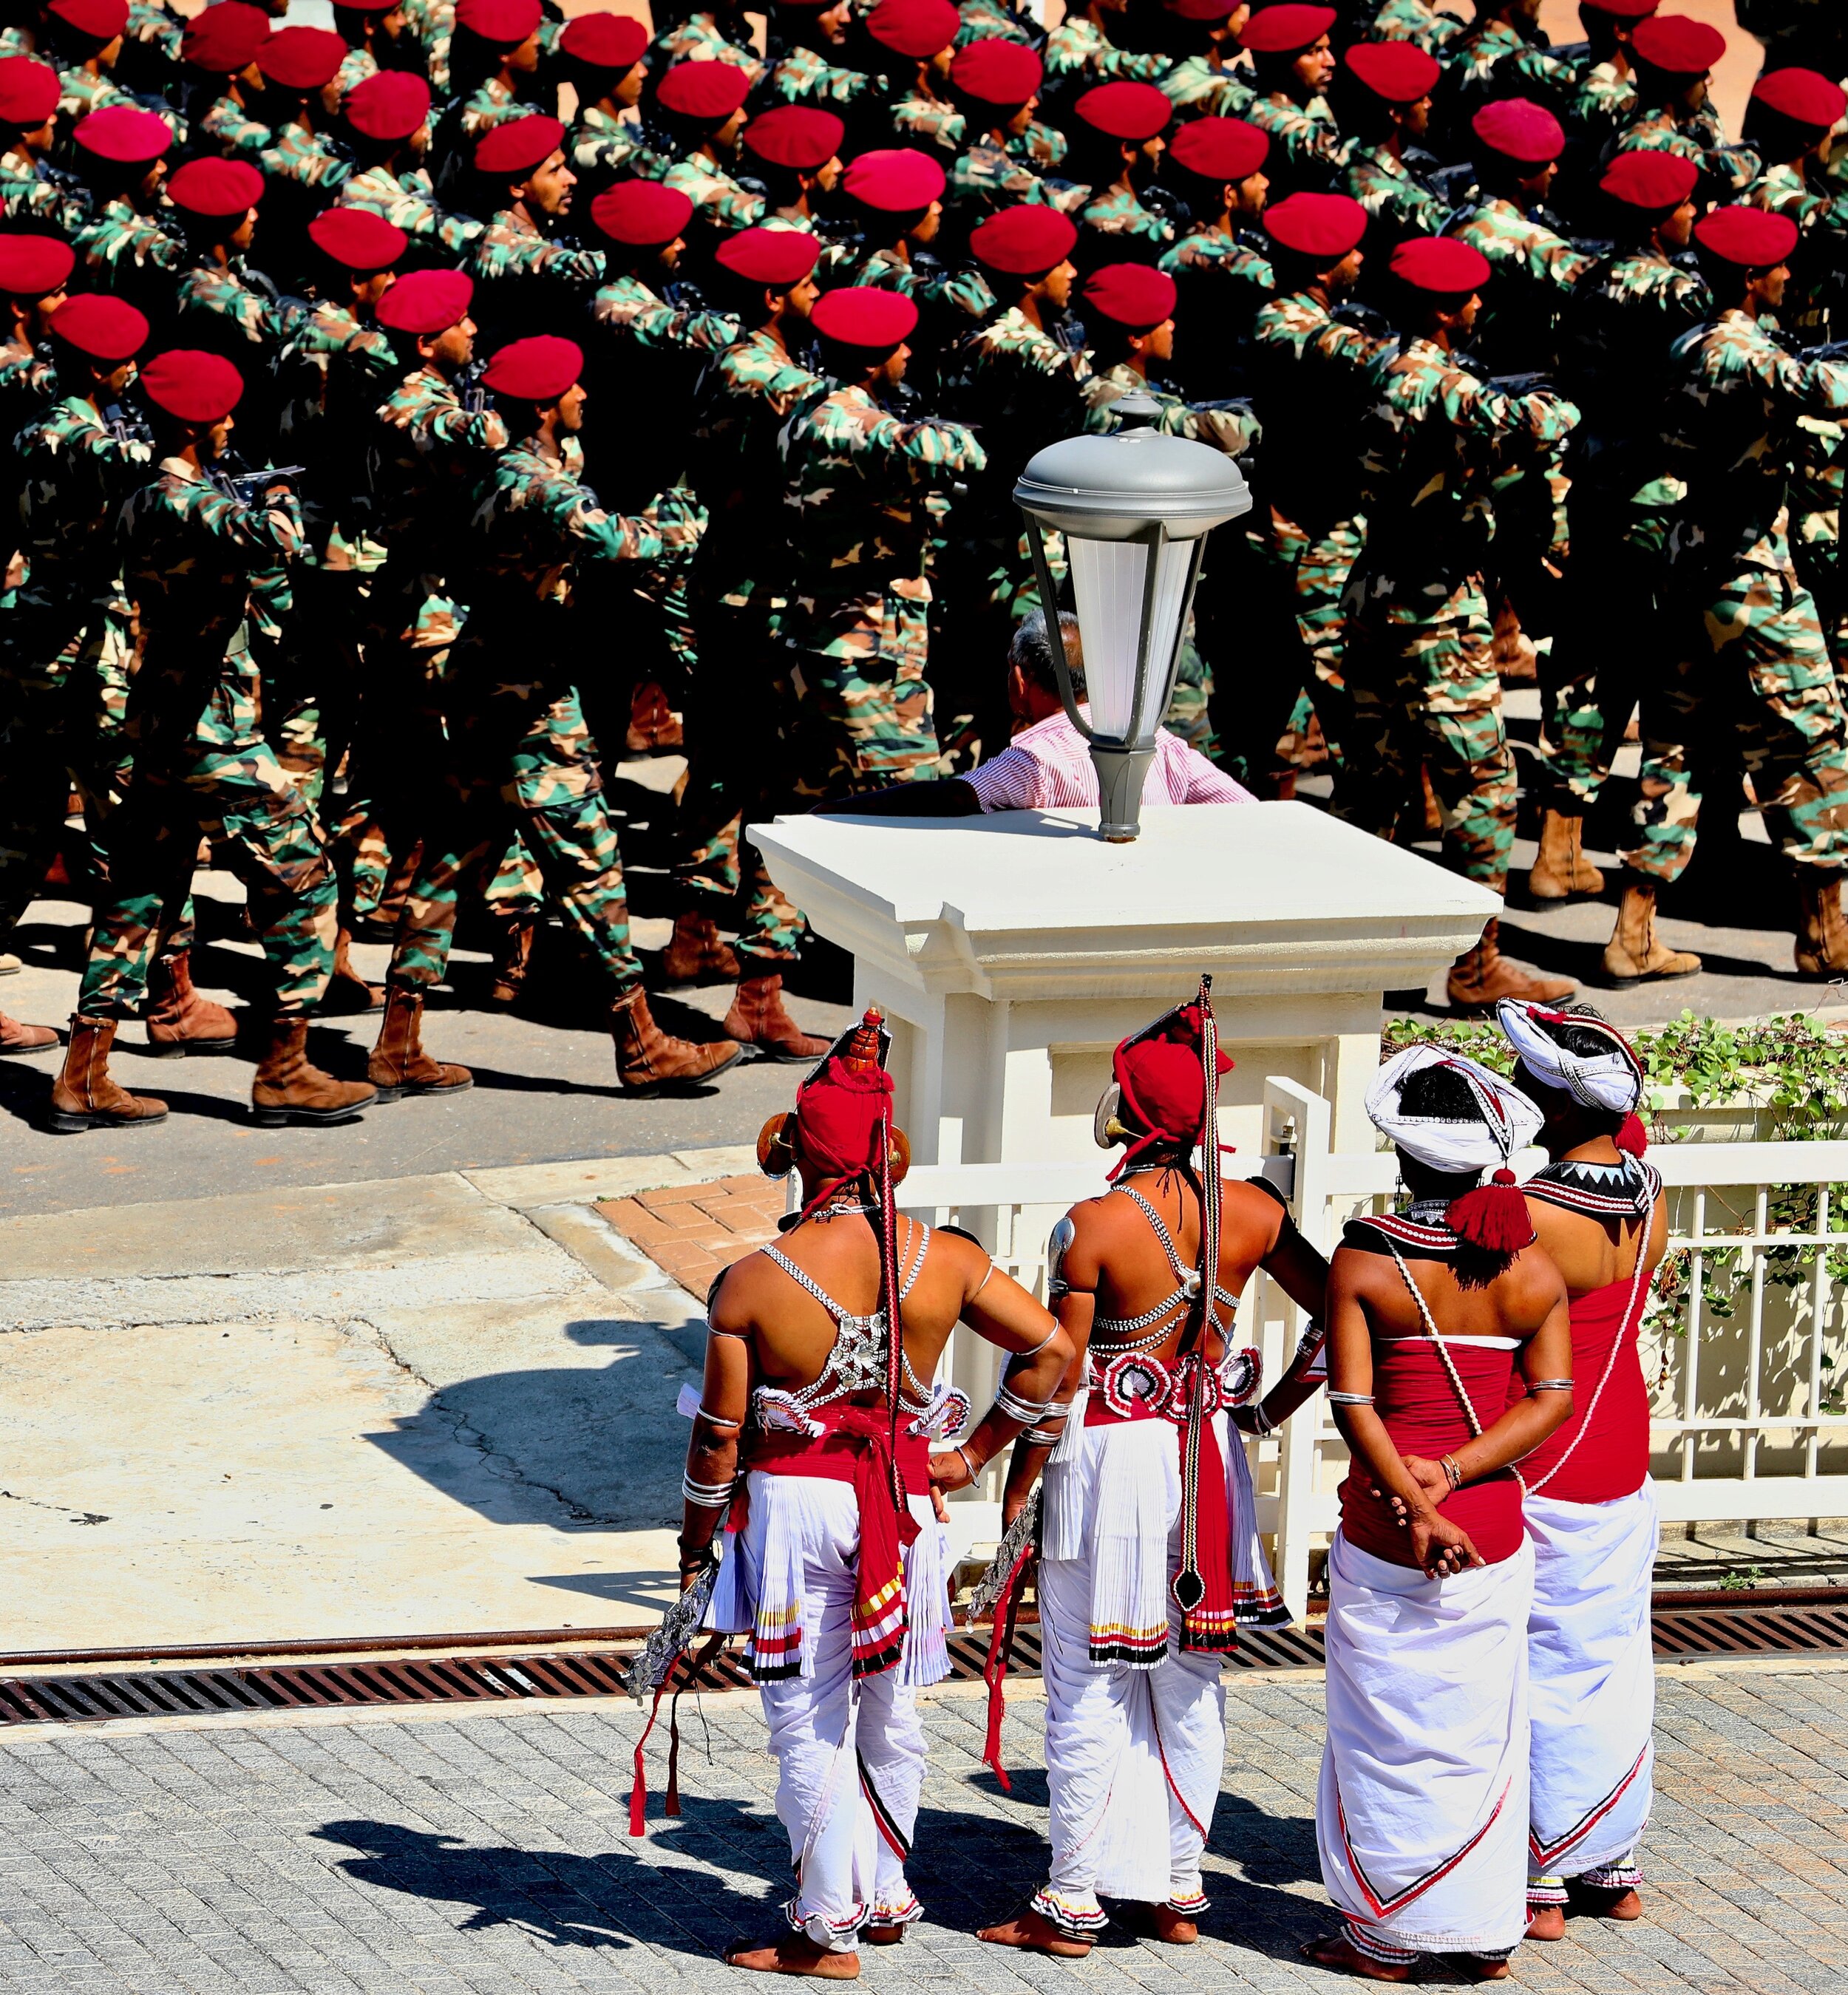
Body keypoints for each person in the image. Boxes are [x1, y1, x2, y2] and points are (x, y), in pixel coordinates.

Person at [676, 1007, 1074, 1975]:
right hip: (904, 1502)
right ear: (888, 1153)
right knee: (889, 1706)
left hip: (797, 1509)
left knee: (807, 1714)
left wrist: (694, 1542)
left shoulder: (752, 1282)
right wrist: (974, 1451)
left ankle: (825, 1925)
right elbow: (1054, 1349)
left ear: (795, 1154)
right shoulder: (950, 1259)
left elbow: (720, 1435)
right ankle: (885, 1891)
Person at [973, 989, 1328, 1956]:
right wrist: (1270, 1407)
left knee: (1088, 1681)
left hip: (1109, 1457)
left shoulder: (1091, 1225)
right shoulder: (1255, 1210)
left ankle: (1073, 1899)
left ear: (1132, 1109)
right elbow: (1351, 1310)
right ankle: (1176, 1887)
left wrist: (1010, 1484)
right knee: (1190, 1679)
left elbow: (1052, 1372)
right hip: (1209, 1452)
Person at [50, 350, 376, 1132]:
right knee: (304, 879)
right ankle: (289, 1070)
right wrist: (282, 490)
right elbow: (278, 539)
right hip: (211, 732)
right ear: (200, 423)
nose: (231, 427)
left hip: (159, 722)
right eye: (225, 417)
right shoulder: (187, 501)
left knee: (138, 894)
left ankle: (82, 1072)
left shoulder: (137, 499)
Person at [1307, 1044, 1572, 1981]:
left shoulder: (1367, 1255)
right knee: (1480, 1733)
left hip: (1386, 1522)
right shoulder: (1532, 1268)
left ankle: (1390, 1934)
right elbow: (1549, 1398)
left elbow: (1352, 1403)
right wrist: (1455, 1475)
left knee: (1385, 1731)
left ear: (1404, 1158)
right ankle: (1481, 1926)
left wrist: (1417, 1504)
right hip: (1493, 1521)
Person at [1612, 205, 1848, 982]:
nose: (1787, 278)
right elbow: (1825, 384)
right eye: (1778, 269)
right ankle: (1824, 934)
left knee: (1674, 747)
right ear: (1752, 278)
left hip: (1686, 560)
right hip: (1749, 573)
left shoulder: (1685, 341)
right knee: (1806, 740)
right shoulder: (1745, 351)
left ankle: (1634, 932)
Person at [1495, 999, 1667, 1943]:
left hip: (1543, 1446)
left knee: (1532, 1658)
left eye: (1528, 1084)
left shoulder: (1527, 1215)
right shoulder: (1650, 1192)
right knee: (1606, 1654)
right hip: (1621, 1441)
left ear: (1559, 1107)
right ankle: (1607, 1858)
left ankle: (1538, 1870)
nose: (1516, 1096)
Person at [825, 609, 1255, 816]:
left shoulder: (1033, 762)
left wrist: (833, 811)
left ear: (1018, 680)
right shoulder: (1160, 743)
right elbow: (1243, 809)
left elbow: (956, 795)